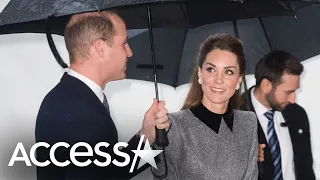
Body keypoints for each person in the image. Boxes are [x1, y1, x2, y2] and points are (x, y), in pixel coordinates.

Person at [35, 11, 170, 180]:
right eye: (124, 43)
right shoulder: (81, 112)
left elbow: (108, 171)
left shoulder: (70, 99)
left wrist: (146, 135)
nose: (129, 53)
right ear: (100, 48)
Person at [153, 34, 258, 180]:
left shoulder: (249, 122)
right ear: (200, 73)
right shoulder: (172, 126)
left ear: (239, 80)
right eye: (211, 70)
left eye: (228, 72)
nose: (219, 80)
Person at [240, 50, 315, 180]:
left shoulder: (296, 114)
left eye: (295, 91)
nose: (293, 99)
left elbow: (305, 168)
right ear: (266, 85)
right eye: (288, 92)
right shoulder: (230, 119)